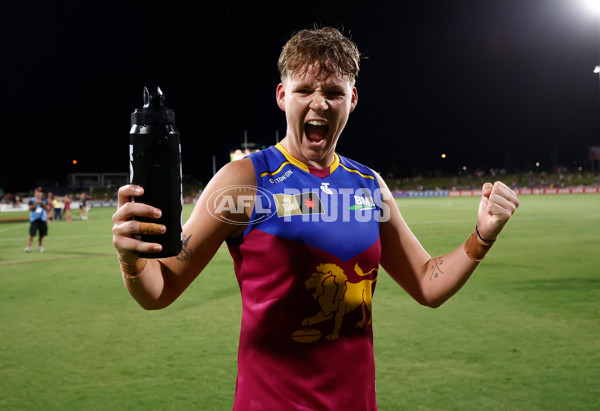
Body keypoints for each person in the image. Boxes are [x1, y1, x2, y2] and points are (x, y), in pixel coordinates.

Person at [112, 27, 519, 410]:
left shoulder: (368, 186)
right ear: (282, 96)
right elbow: (160, 290)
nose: (318, 102)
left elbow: (427, 282)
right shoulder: (244, 182)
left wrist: (482, 235)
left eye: (333, 92)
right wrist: (132, 261)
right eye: (304, 89)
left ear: (352, 100)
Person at [25, 187, 49, 252]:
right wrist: (35, 203)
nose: (38, 194)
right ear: (35, 194)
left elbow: (48, 208)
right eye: (37, 192)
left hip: (42, 219)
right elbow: (29, 208)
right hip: (34, 219)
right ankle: (29, 246)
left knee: (42, 234)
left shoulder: (44, 200)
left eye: (40, 193)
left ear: (42, 194)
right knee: (32, 233)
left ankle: (40, 246)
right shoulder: (32, 200)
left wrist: (42, 203)